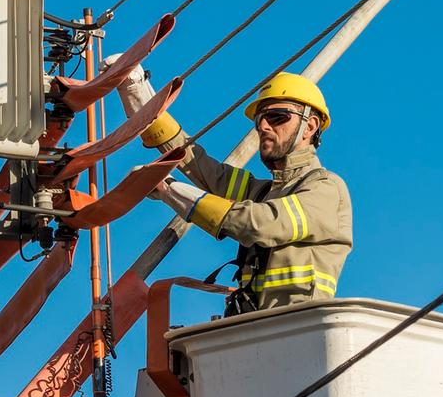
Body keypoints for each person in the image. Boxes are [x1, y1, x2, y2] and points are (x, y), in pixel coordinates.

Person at [110, 63, 352, 314]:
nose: (264, 127)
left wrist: (169, 190)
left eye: (277, 117)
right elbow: (203, 168)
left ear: (310, 126)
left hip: (297, 328)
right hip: (251, 330)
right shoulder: (264, 192)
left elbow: (259, 224)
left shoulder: (326, 189)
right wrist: (139, 97)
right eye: (259, 120)